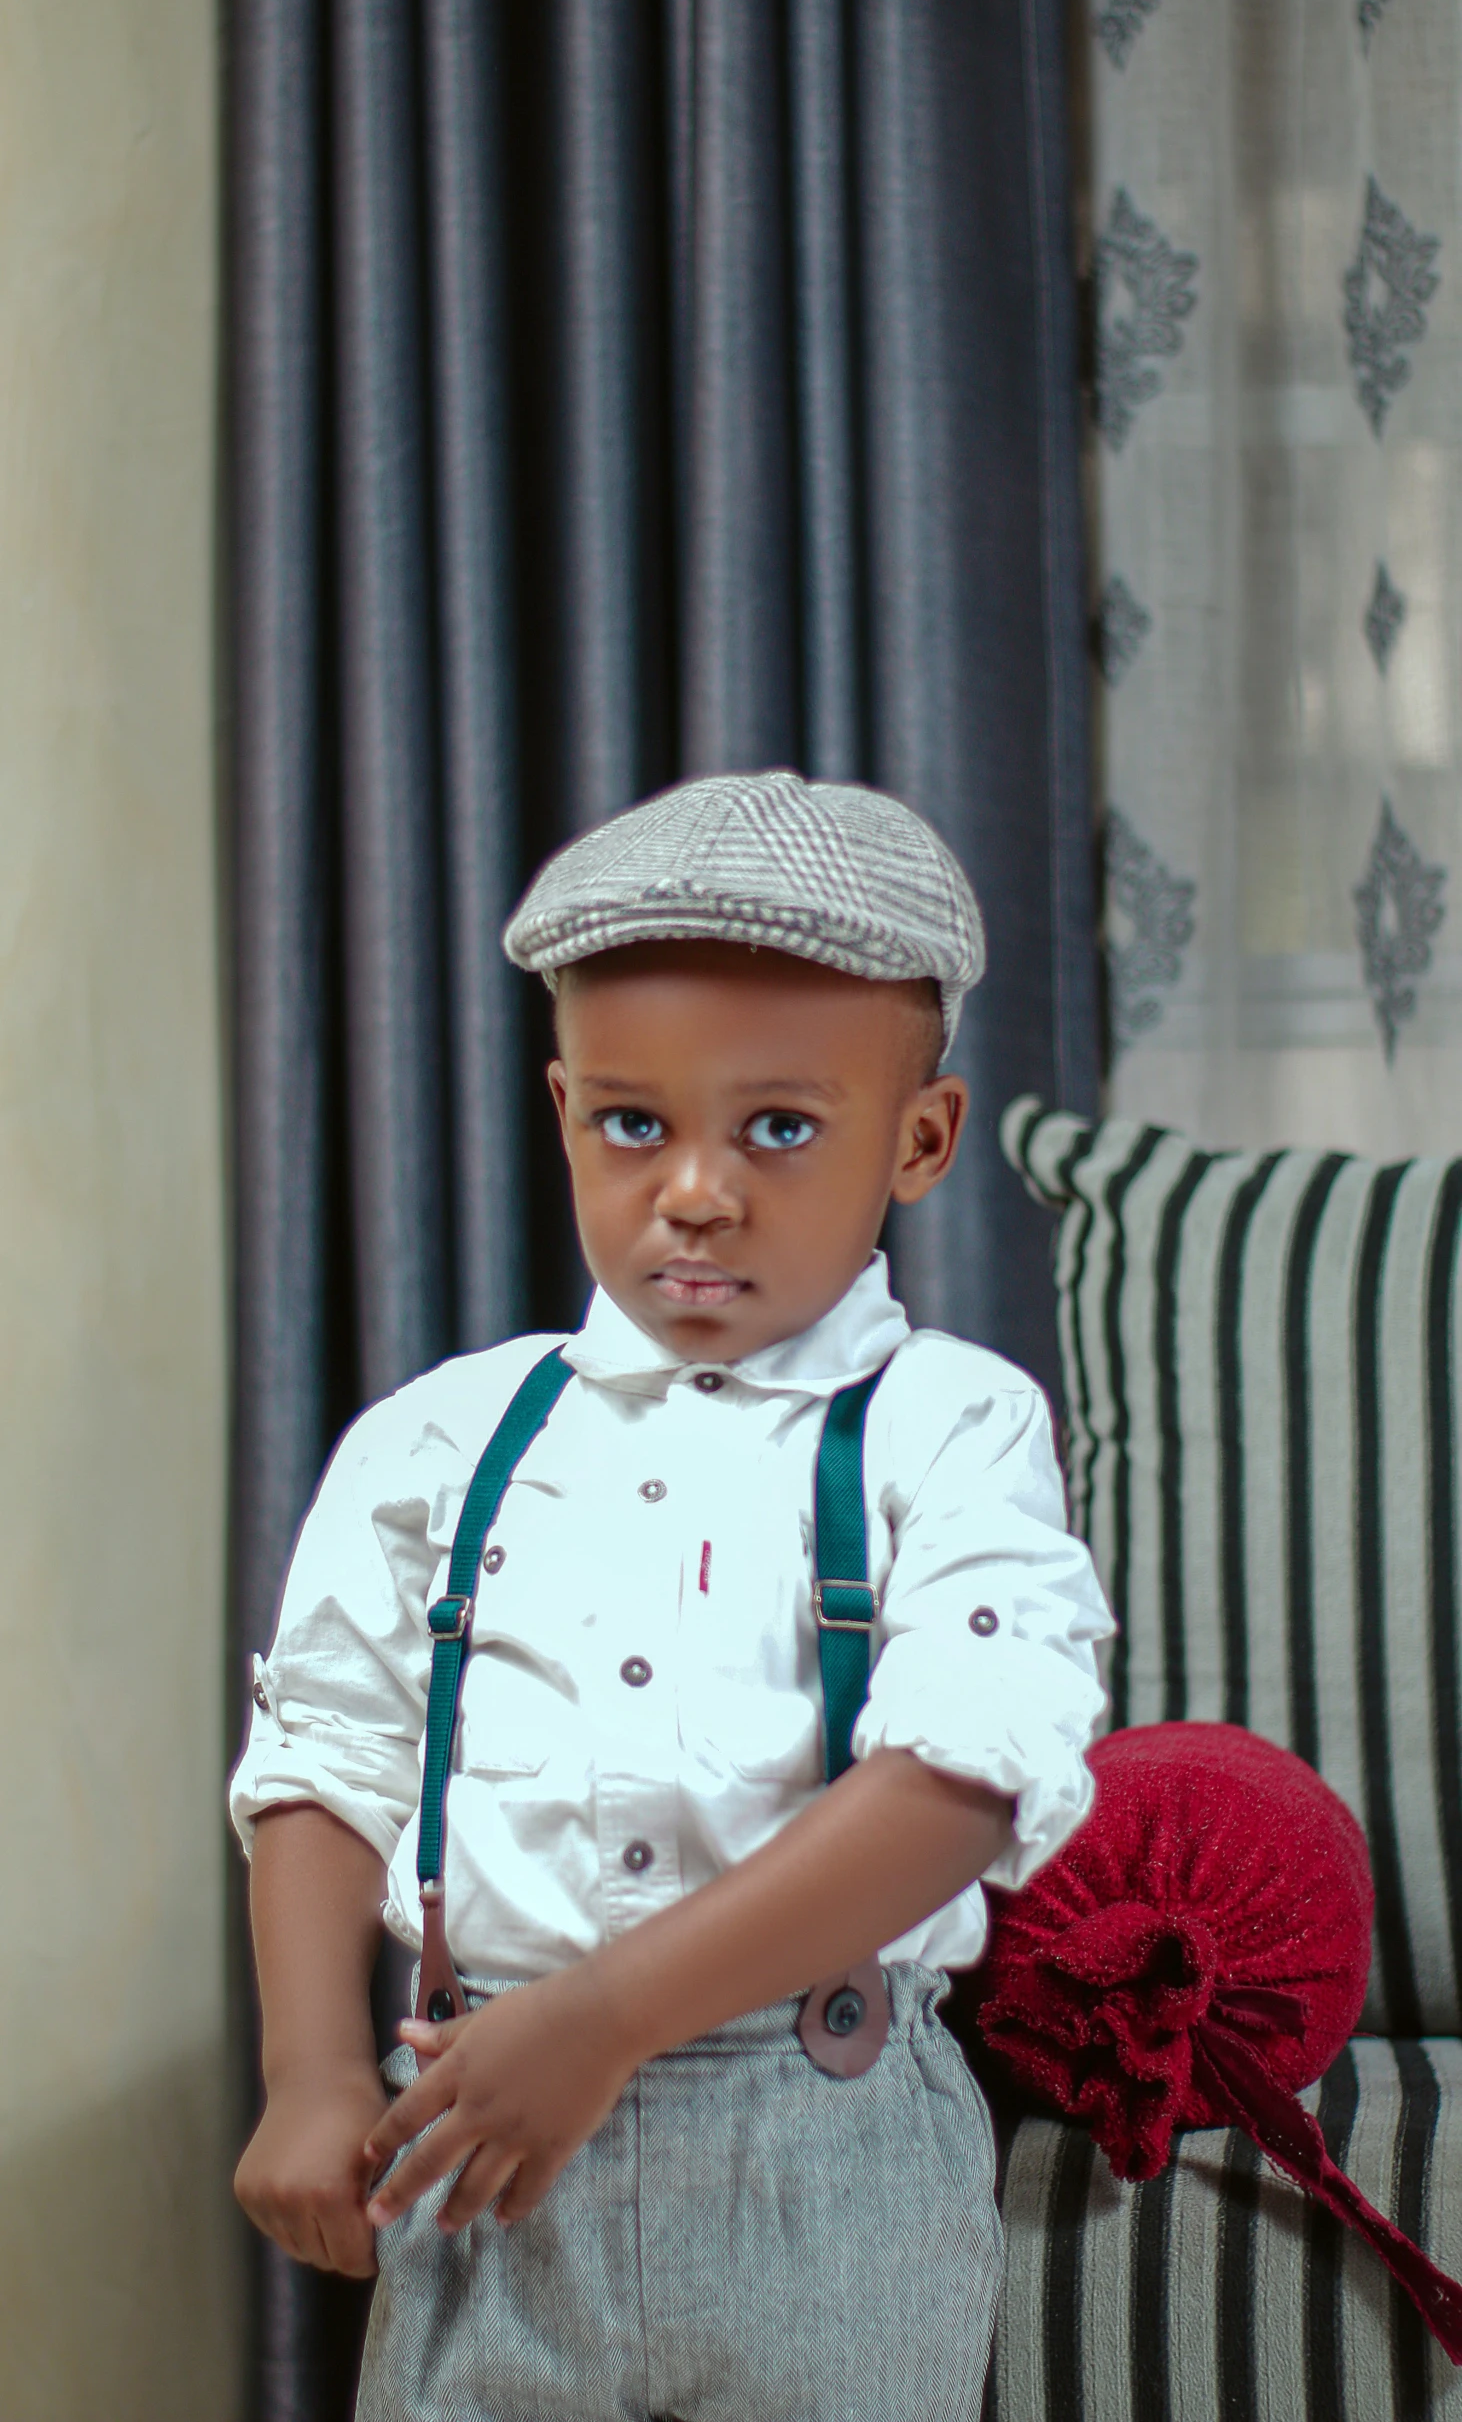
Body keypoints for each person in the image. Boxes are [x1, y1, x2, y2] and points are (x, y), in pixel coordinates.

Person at [231, 767, 1112, 2422]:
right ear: (564, 1107)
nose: (694, 1189)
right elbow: (325, 1751)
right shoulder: (438, 1437)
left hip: (822, 2140)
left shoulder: (951, 1421)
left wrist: (607, 2018)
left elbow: (962, 1774)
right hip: (475, 2134)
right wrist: (312, 2069)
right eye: (634, 1123)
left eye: (777, 1126)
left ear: (918, 1137)